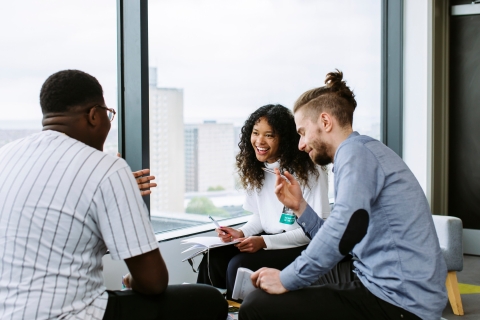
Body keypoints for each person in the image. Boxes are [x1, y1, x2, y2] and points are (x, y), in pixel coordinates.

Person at [0, 69, 227, 320]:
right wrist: (135, 279)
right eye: (109, 115)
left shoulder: (5, 155)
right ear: (94, 115)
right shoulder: (106, 168)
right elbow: (153, 282)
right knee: (207, 299)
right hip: (72, 314)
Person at [239, 70, 448, 320]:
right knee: (278, 285)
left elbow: (343, 229)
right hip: (376, 278)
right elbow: (347, 236)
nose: (301, 144)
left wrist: (286, 279)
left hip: (399, 301)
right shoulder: (361, 151)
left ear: (326, 122)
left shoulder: (355, 155)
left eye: (303, 132)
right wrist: (300, 207)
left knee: (257, 305)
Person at [196, 104, 330, 299]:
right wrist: (241, 232)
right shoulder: (258, 169)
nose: (259, 141)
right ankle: (206, 310)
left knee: (238, 265)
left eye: (269, 135)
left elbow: (314, 233)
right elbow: (261, 216)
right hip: (269, 239)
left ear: (284, 138)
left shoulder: (309, 171)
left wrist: (264, 241)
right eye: (256, 133)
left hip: (300, 246)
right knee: (213, 258)